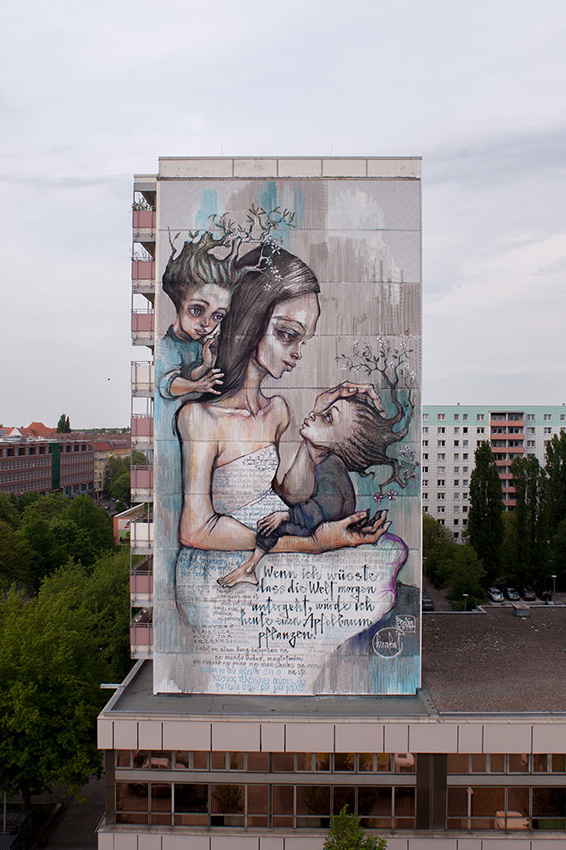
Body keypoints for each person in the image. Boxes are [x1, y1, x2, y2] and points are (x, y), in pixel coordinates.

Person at [174, 244, 405, 622]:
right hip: (224, 564)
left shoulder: (277, 411)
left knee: (375, 560)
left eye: (303, 340)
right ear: (251, 322)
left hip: (275, 540)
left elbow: (290, 492)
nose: (297, 352)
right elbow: (196, 530)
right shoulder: (201, 418)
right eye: (286, 334)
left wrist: (316, 427)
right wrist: (311, 543)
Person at [217, 393, 392, 588]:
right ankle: (250, 566)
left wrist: (286, 516)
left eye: (327, 418)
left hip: (323, 525)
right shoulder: (324, 463)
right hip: (319, 522)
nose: (315, 415)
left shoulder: (331, 470)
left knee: (272, 527)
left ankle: (250, 568)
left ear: (341, 442)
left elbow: (323, 509)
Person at [157, 238, 235, 403]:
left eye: (217, 316)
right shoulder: (167, 345)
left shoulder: (196, 344)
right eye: (197, 310)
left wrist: (206, 364)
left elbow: (191, 373)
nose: (206, 324)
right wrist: (198, 386)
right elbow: (166, 385)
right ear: (178, 304)